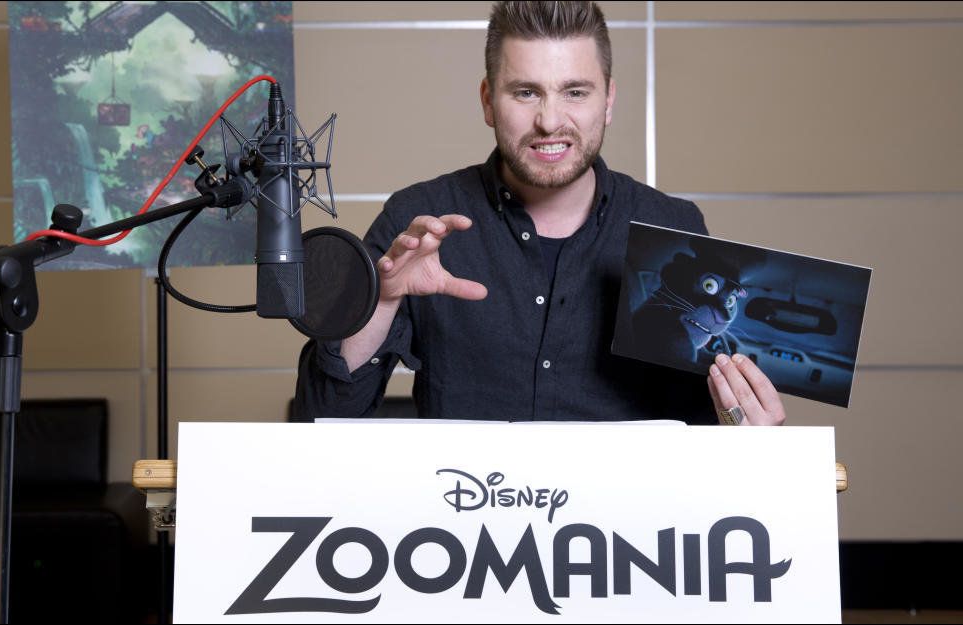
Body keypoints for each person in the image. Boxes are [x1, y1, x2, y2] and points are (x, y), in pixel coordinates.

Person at [294, 1, 786, 427]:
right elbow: (321, 417)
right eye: (526, 92)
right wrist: (380, 304)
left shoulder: (673, 227)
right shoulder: (416, 221)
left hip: (622, 511)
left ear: (608, 101)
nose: (550, 121)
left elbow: (703, 433)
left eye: (575, 92)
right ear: (488, 101)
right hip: (467, 507)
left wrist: (745, 428)